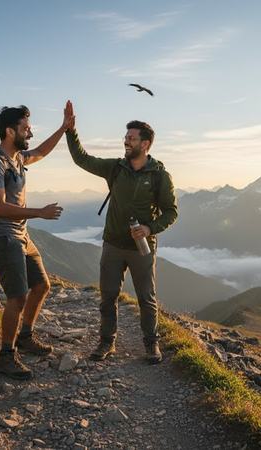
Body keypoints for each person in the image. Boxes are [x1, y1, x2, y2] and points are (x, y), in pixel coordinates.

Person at [64, 101, 178, 364]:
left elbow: (171, 211)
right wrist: (71, 131)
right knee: (108, 297)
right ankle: (107, 342)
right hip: (113, 243)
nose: (126, 142)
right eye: (125, 138)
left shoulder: (160, 176)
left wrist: (150, 228)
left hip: (142, 247)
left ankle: (151, 344)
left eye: (131, 138)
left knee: (146, 299)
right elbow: (82, 159)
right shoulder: (115, 168)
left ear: (146, 143)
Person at [0, 102, 74, 380]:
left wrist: (64, 128)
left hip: (21, 235)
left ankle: (25, 337)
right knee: (17, 296)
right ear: (10, 132)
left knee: (42, 286)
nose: (30, 134)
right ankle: (5, 356)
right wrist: (39, 213)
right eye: (26, 129)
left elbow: (42, 151)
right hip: (2, 236)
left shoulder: (18, 159)